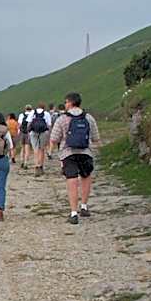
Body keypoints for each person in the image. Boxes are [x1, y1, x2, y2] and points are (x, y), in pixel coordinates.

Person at [49, 92, 101, 224]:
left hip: (68, 153)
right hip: (86, 152)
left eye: (66, 102)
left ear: (70, 103)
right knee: (86, 176)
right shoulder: (89, 117)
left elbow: (54, 138)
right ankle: (84, 206)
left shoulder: (62, 119)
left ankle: (73, 213)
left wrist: (51, 151)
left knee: (72, 180)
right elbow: (95, 138)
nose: (65, 104)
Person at [28, 102, 51, 176]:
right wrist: (49, 134)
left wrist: (29, 131)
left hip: (33, 132)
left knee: (35, 149)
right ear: (44, 107)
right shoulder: (46, 113)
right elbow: (49, 125)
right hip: (43, 132)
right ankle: (41, 166)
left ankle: (36, 166)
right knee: (42, 149)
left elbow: (29, 123)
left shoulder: (32, 112)